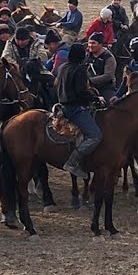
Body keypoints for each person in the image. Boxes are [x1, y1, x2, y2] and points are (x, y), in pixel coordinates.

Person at [55, 38, 103, 179]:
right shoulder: (80, 70)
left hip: (62, 106)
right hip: (75, 109)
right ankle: (73, 162)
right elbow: (81, 92)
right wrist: (96, 98)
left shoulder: (62, 67)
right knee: (95, 135)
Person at [84, 33, 118, 100]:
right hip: (87, 86)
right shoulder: (86, 56)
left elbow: (108, 75)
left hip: (105, 87)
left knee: (112, 104)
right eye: (89, 43)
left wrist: (90, 81)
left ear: (100, 44)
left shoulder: (109, 58)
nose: (90, 45)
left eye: (93, 43)